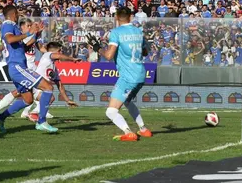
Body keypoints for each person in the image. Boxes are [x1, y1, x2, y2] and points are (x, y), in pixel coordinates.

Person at [87, 7, 152, 141]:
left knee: (111, 111)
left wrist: (97, 48)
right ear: (131, 17)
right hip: (140, 74)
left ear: (116, 17)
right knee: (127, 101)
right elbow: (145, 52)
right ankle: (143, 129)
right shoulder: (138, 31)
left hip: (128, 76)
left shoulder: (116, 32)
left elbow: (109, 56)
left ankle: (128, 132)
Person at [0, 5, 57, 133]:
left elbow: (25, 47)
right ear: (14, 14)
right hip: (17, 67)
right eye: (17, 14)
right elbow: (9, 39)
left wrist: (36, 34)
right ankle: (41, 121)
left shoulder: (13, 27)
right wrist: (27, 33)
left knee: (28, 99)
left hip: (17, 67)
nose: (18, 16)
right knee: (48, 88)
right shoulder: (8, 24)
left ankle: (0, 117)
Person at [27, 41, 80, 122]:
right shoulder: (47, 55)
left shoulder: (54, 68)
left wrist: (67, 100)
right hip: (35, 87)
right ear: (55, 51)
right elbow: (59, 56)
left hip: (41, 89)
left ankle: (34, 114)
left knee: (22, 101)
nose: (61, 52)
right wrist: (73, 59)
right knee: (50, 97)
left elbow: (60, 85)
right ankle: (34, 114)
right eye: (60, 50)